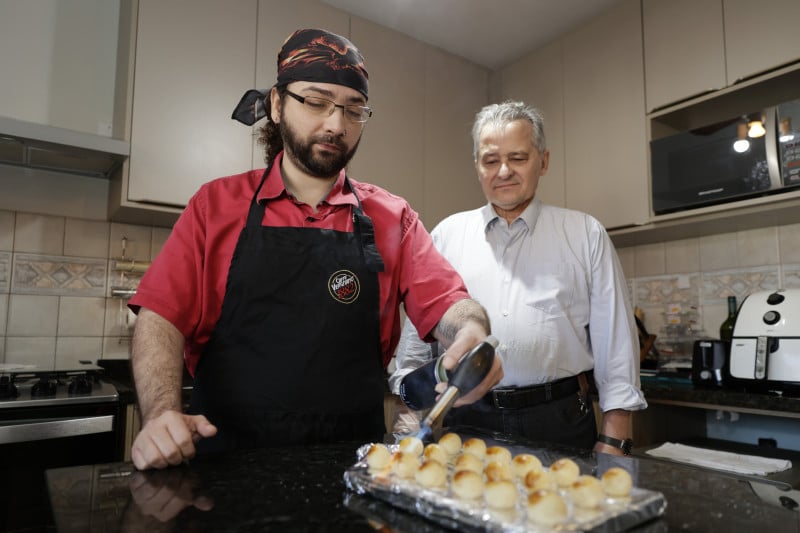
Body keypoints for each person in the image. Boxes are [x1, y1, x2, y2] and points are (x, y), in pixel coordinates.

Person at [127, 28, 502, 470]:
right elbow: (160, 318)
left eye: (353, 109)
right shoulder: (215, 206)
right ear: (276, 104)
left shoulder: (392, 217)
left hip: (350, 472)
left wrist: (473, 331)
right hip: (223, 472)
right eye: (316, 101)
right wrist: (159, 413)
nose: (336, 124)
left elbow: (449, 305)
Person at [390, 101, 646, 456]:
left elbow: (615, 345)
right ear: (477, 166)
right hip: (465, 420)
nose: (504, 171)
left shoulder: (585, 233)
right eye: (491, 160)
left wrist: (615, 438)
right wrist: (408, 417)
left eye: (519, 158)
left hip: (559, 418)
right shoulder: (447, 234)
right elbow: (418, 343)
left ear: (543, 161)